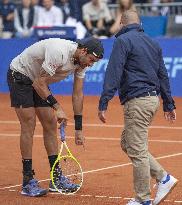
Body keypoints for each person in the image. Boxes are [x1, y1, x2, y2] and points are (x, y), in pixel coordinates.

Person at [98, 10, 178, 205]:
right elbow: (163, 75)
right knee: (128, 143)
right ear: (139, 23)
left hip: (137, 101)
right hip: (152, 101)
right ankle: (163, 177)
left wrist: (104, 101)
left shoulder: (123, 41)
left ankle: (143, 199)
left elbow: (113, 71)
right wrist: (168, 103)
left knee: (138, 151)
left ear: (122, 23)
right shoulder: (153, 43)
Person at [7, 37, 104, 197]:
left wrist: (78, 128)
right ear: (83, 51)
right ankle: (27, 180)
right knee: (29, 124)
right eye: (91, 60)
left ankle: (56, 178)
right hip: (21, 75)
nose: (91, 64)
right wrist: (57, 107)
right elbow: (39, 83)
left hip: (39, 80)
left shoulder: (82, 62)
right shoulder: (59, 51)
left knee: (50, 124)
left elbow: (78, 94)